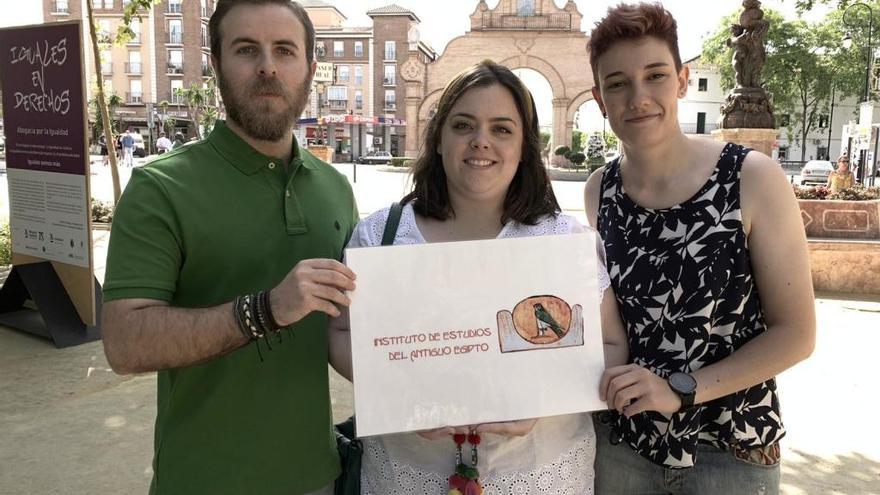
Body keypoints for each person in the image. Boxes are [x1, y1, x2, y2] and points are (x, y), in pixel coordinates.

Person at [327, 60, 629, 494]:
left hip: (539, 473)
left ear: (525, 145)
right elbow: (341, 330)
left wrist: (548, 396)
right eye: (463, 125)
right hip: (407, 473)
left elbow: (613, 344)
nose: (480, 141)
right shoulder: (381, 236)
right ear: (439, 139)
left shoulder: (562, 241)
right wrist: (400, 391)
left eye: (502, 129)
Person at [100, 1, 358, 494]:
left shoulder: (335, 189)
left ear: (309, 68)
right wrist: (266, 309)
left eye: (285, 50)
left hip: (317, 475)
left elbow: (349, 328)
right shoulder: (160, 187)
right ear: (216, 64)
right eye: (246, 50)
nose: (267, 66)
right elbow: (124, 343)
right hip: (203, 480)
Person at [582, 4, 816, 494]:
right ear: (600, 99)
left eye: (655, 76)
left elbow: (796, 333)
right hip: (625, 445)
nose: (638, 97)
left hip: (730, 449)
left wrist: (681, 389)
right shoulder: (598, 190)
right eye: (618, 83)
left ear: (683, 80)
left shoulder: (751, 177)